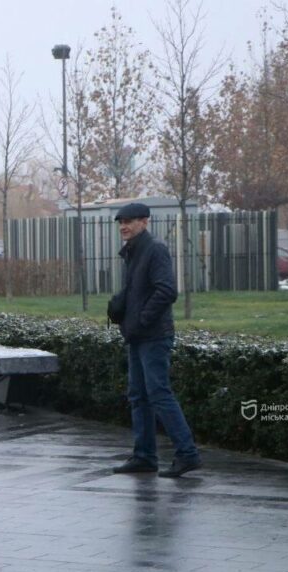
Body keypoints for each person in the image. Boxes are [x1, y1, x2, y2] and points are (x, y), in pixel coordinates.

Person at [108, 202, 203, 478]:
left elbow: (166, 291)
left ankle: (187, 454)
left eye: (130, 221)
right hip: (138, 336)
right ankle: (144, 456)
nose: (124, 226)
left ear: (145, 222)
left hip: (153, 336)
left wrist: (140, 320)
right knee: (138, 396)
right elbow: (139, 290)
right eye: (121, 222)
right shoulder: (133, 252)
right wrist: (121, 307)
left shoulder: (154, 250)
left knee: (159, 394)